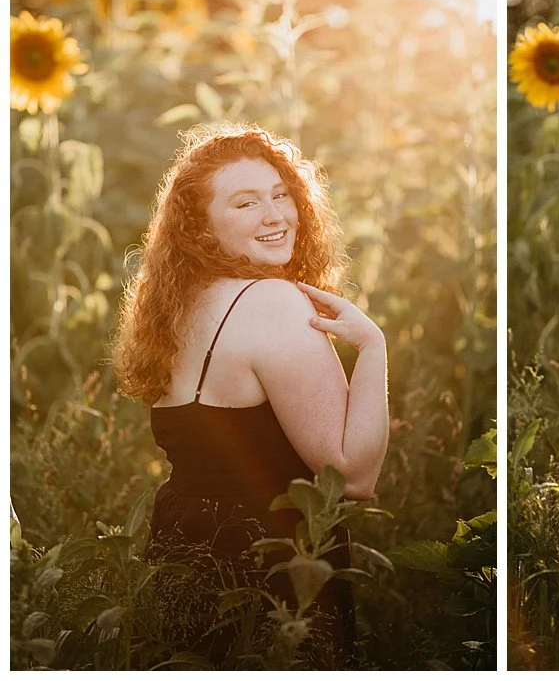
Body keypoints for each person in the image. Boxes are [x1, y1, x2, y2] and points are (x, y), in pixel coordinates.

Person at [112, 124, 390, 668]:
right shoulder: (273, 303)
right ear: (202, 228)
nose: (275, 216)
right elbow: (351, 478)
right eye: (245, 203)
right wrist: (374, 346)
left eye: (280, 195)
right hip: (268, 565)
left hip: (178, 552)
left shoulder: (177, 310)